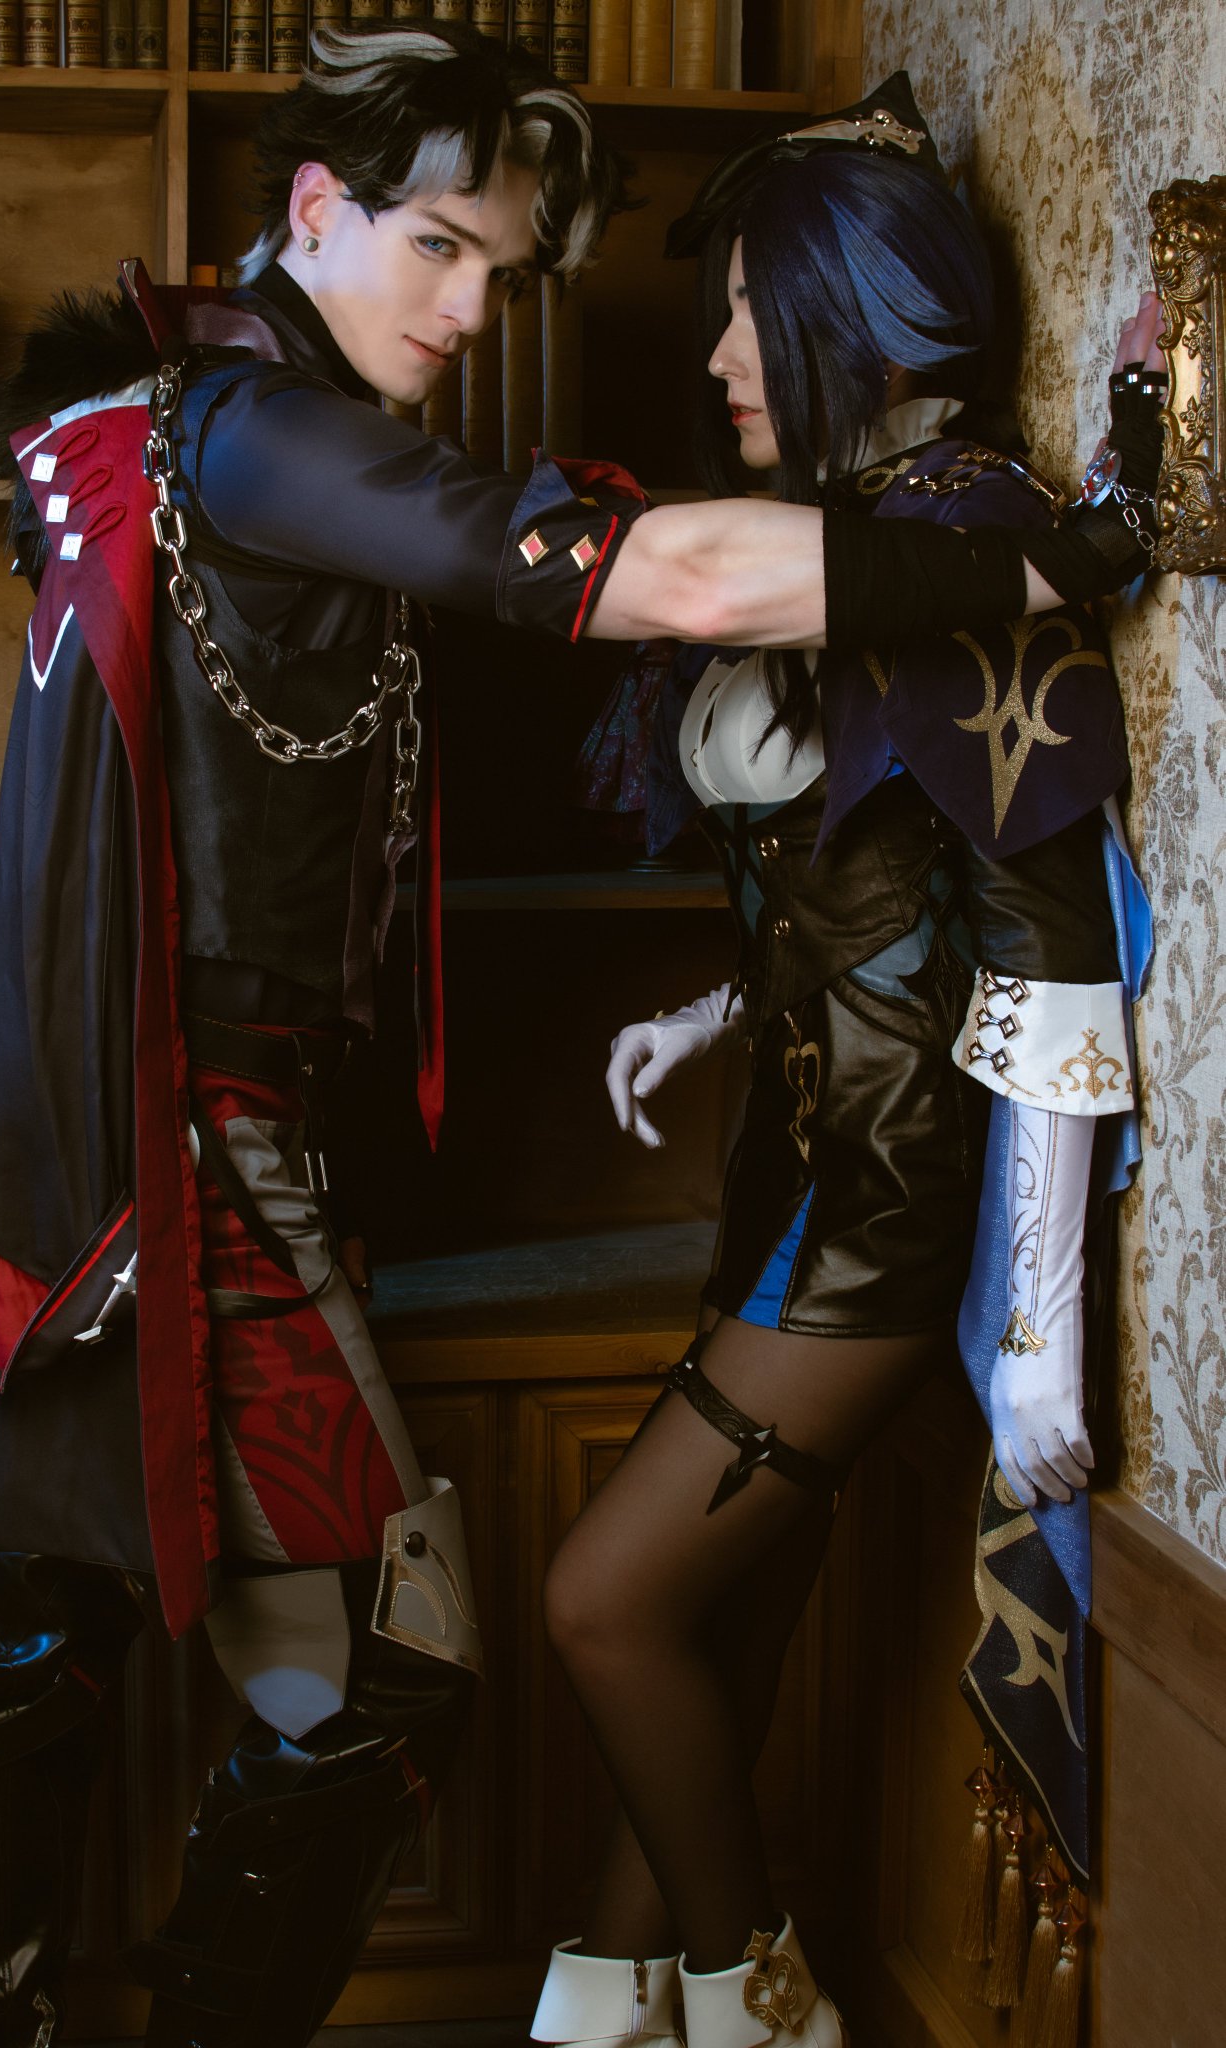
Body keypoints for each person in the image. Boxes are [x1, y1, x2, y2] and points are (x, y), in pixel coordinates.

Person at [0, 28, 1159, 2048]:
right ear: (317, 211)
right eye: (437, 247)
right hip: (180, 1147)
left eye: (502, 268)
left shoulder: (232, 417)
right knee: (352, 1665)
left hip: (177, 1138)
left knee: (50, 1590)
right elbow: (671, 578)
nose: (474, 310)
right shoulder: (257, 431)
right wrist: (1081, 543)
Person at [529, 76, 1161, 2048]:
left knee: (601, 1600)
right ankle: (603, 2010)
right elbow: (869, 892)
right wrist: (707, 1011)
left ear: (857, 314)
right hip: (797, 1173)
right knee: (715, 1623)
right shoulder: (854, 535)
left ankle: (763, 2007)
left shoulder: (967, 533)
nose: (720, 352)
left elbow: (1046, 951)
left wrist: (1039, 1336)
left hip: (889, 1206)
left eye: (749, 309)